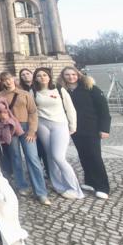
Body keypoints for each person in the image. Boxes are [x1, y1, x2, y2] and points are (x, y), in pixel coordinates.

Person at [0, 72, 50, 205]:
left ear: (13, 79)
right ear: (2, 82)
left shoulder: (25, 94)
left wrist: (32, 130)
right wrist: (0, 116)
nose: (7, 82)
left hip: (26, 127)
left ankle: (41, 192)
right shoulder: (0, 95)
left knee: (32, 158)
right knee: (15, 157)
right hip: (10, 127)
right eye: (4, 80)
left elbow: (33, 112)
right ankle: (22, 185)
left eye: (9, 79)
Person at [58, 66, 111, 199]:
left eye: (73, 74)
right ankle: (90, 182)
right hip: (75, 129)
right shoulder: (63, 90)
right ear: (63, 76)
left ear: (78, 75)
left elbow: (103, 108)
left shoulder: (90, 87)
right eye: (67, 75)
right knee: (83, 155)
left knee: (95, 156)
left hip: (92, 127)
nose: (71, 77)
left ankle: (102, 187)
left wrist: (104, 128)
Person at [32, 67, 84, 199]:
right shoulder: (33, 91)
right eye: (39, 76)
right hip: (42, 125)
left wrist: (73, 125)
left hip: (60, 124)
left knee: (58, 157)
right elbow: (32, 111)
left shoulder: (59, 89)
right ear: (36, 78)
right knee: (50, 156)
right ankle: (59, 186)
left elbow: (70, 108)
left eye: (44, 75)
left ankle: (75, 189)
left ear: (49, 77)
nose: (42, 77)